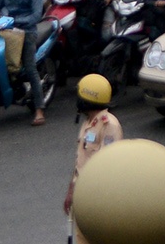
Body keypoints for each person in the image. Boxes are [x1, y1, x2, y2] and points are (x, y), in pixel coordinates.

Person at [65, 74, 122, 242]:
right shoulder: (89, 122)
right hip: (83, 197)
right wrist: (71, 190)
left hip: (99, 198)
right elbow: (80, 160)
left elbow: (108, 164)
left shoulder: (108, 125)